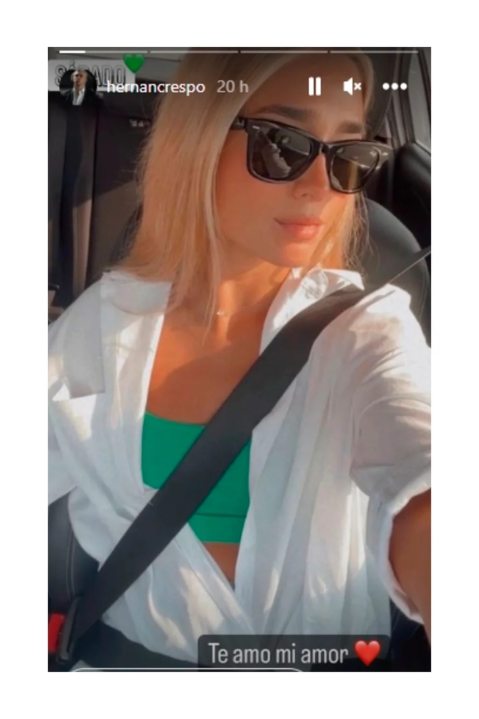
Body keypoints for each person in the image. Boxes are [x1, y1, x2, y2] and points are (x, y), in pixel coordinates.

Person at [48, 51, 431, 669]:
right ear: (198, 142)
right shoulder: (98, 325)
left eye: (348, 155)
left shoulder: (368, 330)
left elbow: (423, 471)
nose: (319, 187)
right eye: (282, 144)